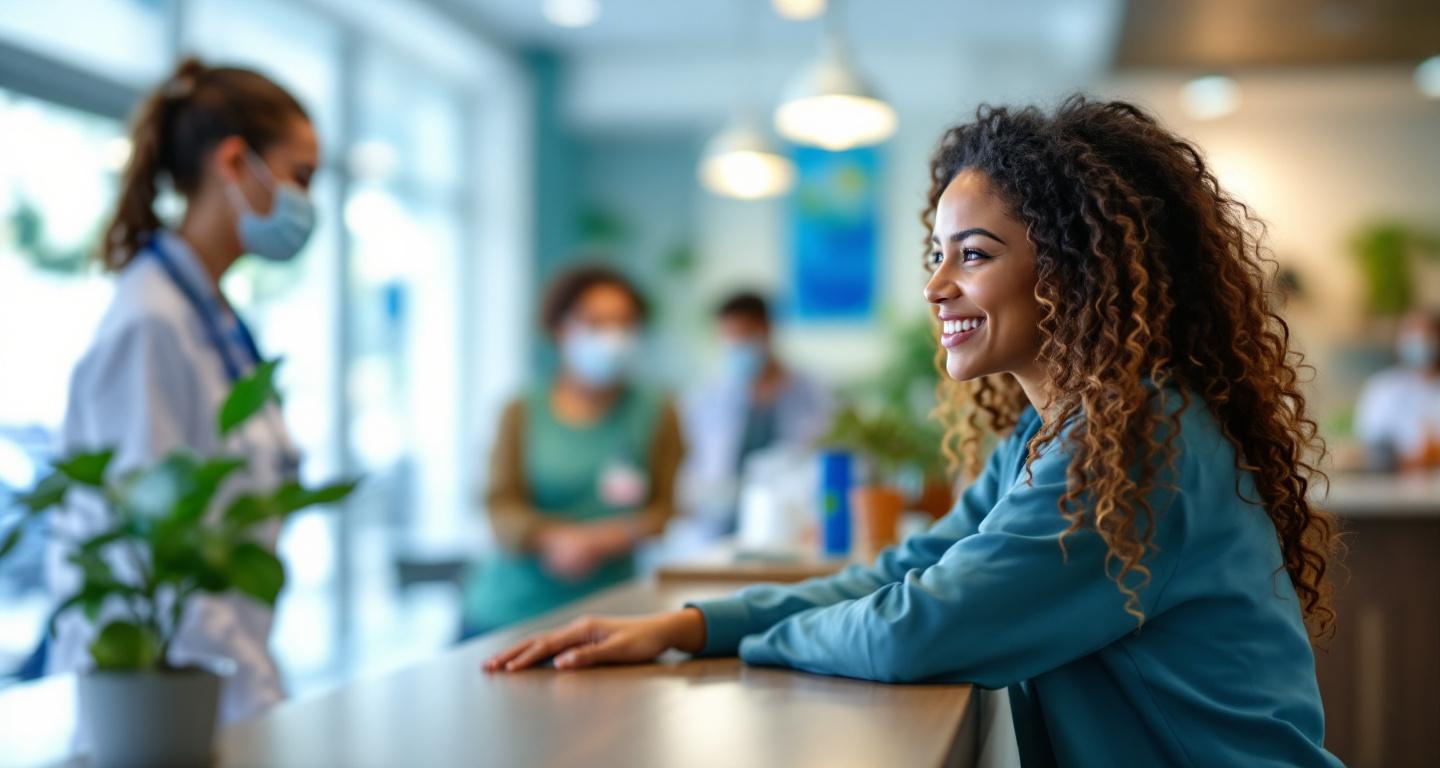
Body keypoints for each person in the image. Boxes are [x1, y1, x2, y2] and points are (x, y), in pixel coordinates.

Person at [483, 98, 1343, 767]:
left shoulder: (1135, 446)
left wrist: (762, 642)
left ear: (1077, 272)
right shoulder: (1046, 441)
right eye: (936, 254)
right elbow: (905, 573)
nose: (936, 287)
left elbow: (914, 630)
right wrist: (695, 625)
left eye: (972, 254)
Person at [48, 58, 316, 723]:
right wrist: (256, 700)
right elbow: (155, 552)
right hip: (156, 694)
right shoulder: (151, 322)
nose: (307, 200)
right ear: (235, 162)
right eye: (301, 176)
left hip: (213, 681)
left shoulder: (209, 316)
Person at [460, 266, 684, 638]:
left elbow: (665, 509)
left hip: (612, 615)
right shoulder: (520, 411)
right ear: (559, 328)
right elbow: (499, 507)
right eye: (595, 322)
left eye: (624, 322)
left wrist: (603, 539)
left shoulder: (657, 411)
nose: (612, 335)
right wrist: (554, 539)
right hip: (509, 612)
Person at [679, 291, 833, 537]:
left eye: (743, 335)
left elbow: (824, 464)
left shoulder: (813, 394)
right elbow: (695, 471)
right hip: (721, 529)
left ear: (766, 330)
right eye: (728, 337)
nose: (735, 345)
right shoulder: (708, 399)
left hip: (793, 527)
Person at [1354, 309, 1440, 470]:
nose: (1421, 340)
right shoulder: (1382, 388)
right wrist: (1416, 460)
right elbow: (1371, 448)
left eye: (1428, 333)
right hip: (1393, 489)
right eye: (1412, 333)